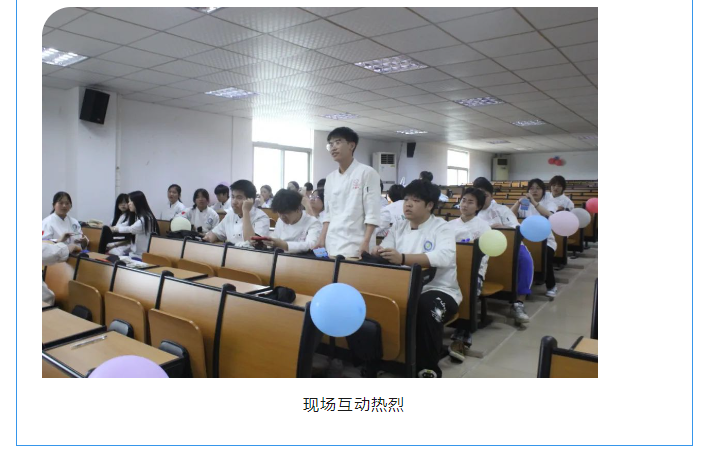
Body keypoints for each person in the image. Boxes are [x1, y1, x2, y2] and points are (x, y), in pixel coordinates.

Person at [372, 180, 460, 378]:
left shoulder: (442, 227)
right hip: (403, 287)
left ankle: (428, 367)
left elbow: (444, 257)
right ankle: (386, 358)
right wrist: (379, 250)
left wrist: (403, 258)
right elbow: (387, 246)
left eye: (416, 200)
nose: (408, 204)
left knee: (426, 307)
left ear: (430, 205)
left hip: (439, 289)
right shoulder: (399, 226)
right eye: (406, 199)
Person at [473, 177, 534, 323]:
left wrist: (501, 227)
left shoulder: (501, 210)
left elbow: (516, 227)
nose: (481, 198)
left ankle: (518, 303)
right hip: (482, 247)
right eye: (478, 195)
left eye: (485, 195)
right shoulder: (471, 211)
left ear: (491, 195)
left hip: (508, 244)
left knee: (525, 260)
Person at [315, 127, 381, 258]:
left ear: (351, 145)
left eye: (338, 142)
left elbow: (372, 213)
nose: (333, 148)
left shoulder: (367, 172)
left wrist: (366, 242)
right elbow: (328, 214)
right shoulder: (330, 178)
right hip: (332, 243)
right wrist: (321, 239)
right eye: (330, 144)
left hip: (356, 244)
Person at [445, 188, 491, 361]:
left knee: (468, 290)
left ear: (478, 206)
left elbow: (485, 255)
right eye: (463, 200)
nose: (464, 205)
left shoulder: (483, 227)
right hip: (449, 269)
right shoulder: (449, 226)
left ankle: (462, 335)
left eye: (470, 202)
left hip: (474, 271)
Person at [511, 178, 558, 298]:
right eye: (531, 188)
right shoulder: (525, 204)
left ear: (543, 190)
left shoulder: (549, 202)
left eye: (538, 188)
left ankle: (551, 286)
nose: (534, 191)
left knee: (545, 256)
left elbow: (549, 215)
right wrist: (518, 203)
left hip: (546, 239)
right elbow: (510, 216)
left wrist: (533, 202)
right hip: (526, 238)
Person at [204, 180, 270, 246]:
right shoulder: (230, 215)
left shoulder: (261, 217)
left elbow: (251, 243)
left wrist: (245, 212)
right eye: (233, 197)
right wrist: (207, 238)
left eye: (239, 198)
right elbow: (216, 233)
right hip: (230, 251)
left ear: (251, 200)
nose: (234, 202)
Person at [262, 189, 322, 254]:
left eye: (286, 213)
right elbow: (275, 237)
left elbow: (311, 245)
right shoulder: (280, 221)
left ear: (298, 209)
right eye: (279, 213)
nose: (282, 217)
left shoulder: (313, 222)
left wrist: (284, 245)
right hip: (280, 256)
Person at [110, 191, 159, 259]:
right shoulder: (137, 216)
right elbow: (124, 225)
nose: (128, 203)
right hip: (134, 253)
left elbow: (130, 229)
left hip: (142, 255)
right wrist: (113, 228)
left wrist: (114, 229)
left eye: (130, 201)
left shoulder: (146, 218)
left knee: (115, 258)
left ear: (137, 202)